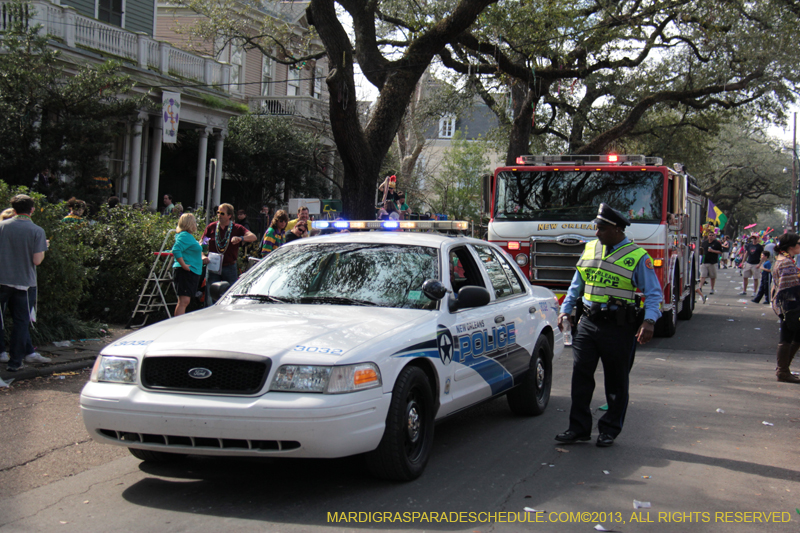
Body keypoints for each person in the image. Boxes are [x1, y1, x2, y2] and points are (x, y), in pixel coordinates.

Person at [555, 204, 663, 447]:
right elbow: (576, 284)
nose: (597, 233)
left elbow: (654, 294)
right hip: (587, 323)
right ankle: (578, 428)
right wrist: (565, 310)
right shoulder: (590, 248)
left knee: (616, 381)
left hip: (618, 327)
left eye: (602, 228)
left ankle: (609, 429)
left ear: (617, 230)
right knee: (581, 377)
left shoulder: (638, 256)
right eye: (597, 227)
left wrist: (649, 321)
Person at [0, 195, 49, 372]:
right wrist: (44, 248)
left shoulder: (2, 226)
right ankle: (15, 362)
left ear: (13, 210)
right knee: (21, 323)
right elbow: (37, 260)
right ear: (32, 210)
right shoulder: (37, 231)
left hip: (2, 280)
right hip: (24, 283)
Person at [201, 203, 257, 306]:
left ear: (229, 215)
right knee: (210, 295)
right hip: (213, 266)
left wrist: (241, 238)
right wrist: (203, 255)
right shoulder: (211, 227)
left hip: (229, 266)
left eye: (222, 213)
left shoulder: (237, 228)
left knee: (231, 295)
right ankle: (211, 314)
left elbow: (253, 237)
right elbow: (202, 243)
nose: (219, 215)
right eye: (218, 212)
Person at [769, 233, 800, 383]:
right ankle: (782, 371)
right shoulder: (786, 263)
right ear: (791, 246)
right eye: (799, 243)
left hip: (786, 304)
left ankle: (784, 369)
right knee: (787, 337)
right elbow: (790, 287)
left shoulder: (783, 260)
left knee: (795, 336)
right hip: (789, 305)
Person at [171, 214, 203, 317]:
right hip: (186, 272)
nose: (195, 224)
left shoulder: (186, 236)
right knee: (184, 301)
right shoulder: (185, 235)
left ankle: (179, 323)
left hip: (191, 271)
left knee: (184, 301)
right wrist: (184, 265)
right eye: (194, 222)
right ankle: (178, 324)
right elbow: (176, 250)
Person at [695, 231, 722, 303]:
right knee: (702, 276)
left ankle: (712, 288)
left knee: (712, 276)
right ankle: (700, 287)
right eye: (710, 235)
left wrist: (713, 251)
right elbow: (701, 250)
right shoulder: (704, 243)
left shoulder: (717, 243)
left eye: (712, 235)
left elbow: (720, 252)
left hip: (712, 262)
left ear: (714, 236)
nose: (711, 236)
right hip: (704, 261)